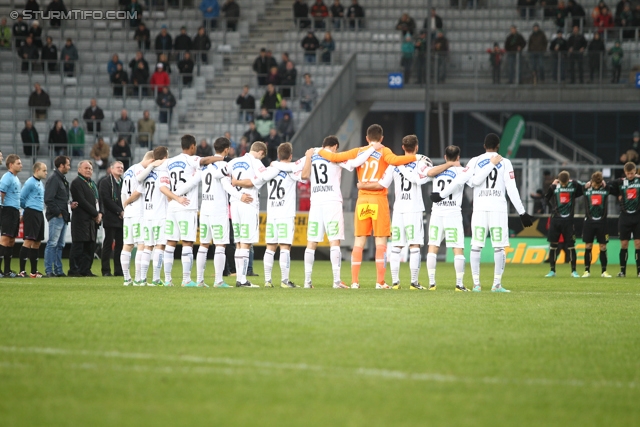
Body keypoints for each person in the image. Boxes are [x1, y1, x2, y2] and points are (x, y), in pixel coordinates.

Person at [430, 133, 535, 293]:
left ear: (484, 146)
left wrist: (441, 194)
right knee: (499, 247)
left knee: (476, 246)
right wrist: (522, 212)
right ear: (498, 146)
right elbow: (512, 189)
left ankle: (476, 284)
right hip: (498, 208)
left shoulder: (475, 161)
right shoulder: (505, 163)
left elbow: (462, 179)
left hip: (479, 208)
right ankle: (496, 284)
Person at [317, 125, 417, 289]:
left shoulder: (359, 151)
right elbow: (396, 161)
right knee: (381, 242)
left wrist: (319, 151)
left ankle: (355, 282)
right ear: (382, 138)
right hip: (379, 200)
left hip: (362, 200)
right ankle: (380, 282)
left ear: (367, 138)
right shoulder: (385, 151)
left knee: (359, 241)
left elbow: (335, 157)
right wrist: (415, 158)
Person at [280, 137, 378, 288]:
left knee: (311, 242)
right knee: (334, 241)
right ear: (335, 147)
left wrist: (274, 164)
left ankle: (307, 281)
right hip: (332, 202)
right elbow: (354, 163)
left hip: (316, 203)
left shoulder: (311, 154)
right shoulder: (335, 157)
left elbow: (292, 167)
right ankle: (336, 281)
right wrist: (372, 149)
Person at [375, 138, 450, 290]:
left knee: (396, 246)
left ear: (403, 147)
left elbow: (382, 184)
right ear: (416, 147)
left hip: (398, 210)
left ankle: (395, 282)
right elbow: (427, 177)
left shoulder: (394, 164)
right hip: (413, 209)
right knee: (414, 246)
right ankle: (414, 282)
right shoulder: (420, 162)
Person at [163, 135, 223, 287]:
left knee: (170, 242)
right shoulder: (190, 159)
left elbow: (163, 186)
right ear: (192, 146)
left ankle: (168, 279)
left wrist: (174, 197)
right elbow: (203, 161)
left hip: (172, 207)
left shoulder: (169, 162)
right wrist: (219, 158)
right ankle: (186, 279)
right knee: (187, 242)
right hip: (186, 205)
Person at [196, 137, 251, 287]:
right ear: (226, 149)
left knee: (204, 244)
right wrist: (240, 196)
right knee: (220, 245)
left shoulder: (205, 165)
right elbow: (227, 186)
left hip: (205, 207)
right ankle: (218, 280)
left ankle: (200, 280)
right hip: (218, 209)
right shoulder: (225, 165)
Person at [226, 142, 271, 287]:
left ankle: (239, 278)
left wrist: (237, 193)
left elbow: (226, 182)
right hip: (249, 203)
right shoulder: (256, 162)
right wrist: (244, 184)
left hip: (234, 203)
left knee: (238, 242)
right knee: (246, 242)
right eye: (262, 156)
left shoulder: (233, 161)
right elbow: (262, 178)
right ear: (261, 152)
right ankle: (243, 280)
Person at [120, 151, 158, 286]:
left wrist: (125, 206)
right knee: (142, 244)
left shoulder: (129, 170)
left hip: (129, 213)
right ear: (151, 160)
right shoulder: (142, 171)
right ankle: (138, 278)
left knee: (128, 245)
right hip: (139, 211)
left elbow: (123, 192)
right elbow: (138, 192)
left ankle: (126, 279)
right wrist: (128, 202)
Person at [137, 148, 170, 286]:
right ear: (164, 157)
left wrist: (150, 165)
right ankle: (156, 278)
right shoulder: (164, 172)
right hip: (159, 214)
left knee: (147, 246)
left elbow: (138, 178)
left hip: (147, 215)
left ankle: (143, 278)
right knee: (160, 246)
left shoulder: (147, 173)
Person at [543, 170, 584, 277]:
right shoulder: (554, 187)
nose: (564, 185)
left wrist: (574, 181)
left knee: (571, 245)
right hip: (556, 220)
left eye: (566, 183)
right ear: (559, 180)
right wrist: (552, 209)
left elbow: (583, 188)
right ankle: (552, 270)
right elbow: (546, 198)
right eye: (562, 183)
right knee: (553, 245)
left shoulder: (573, 185)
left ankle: (574, 271)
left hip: (568, 220)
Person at [67, 161, 101, 277]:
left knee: (89, 246)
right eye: (86, 168)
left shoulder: (92, 184)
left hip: (92, 221)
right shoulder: (77, 183)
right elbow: (82, 201)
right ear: (79, 170)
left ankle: (85, 269)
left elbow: (97, 201)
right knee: (78, 246)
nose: (88, 170)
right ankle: (74, 270)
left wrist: (100, 213)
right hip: (81, 220)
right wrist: (95, 213)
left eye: (90, 169)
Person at [608, 162, 640, 277]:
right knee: (624, 244)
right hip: (625, 217)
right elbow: (608, 186)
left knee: (638, 243)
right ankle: (622, 271)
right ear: (625, 172)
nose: (630, 175)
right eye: (628, 173)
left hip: (638, 216)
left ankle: (639, 271)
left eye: (632, 173)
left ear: (635, 172)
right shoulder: (620, 182)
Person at [44, 156, 74, 277]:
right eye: (67, 164)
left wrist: (70, 205)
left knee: (60, 245)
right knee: (53, 243)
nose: (69, 166)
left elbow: (60, 199)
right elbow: (48, 199)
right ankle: (49, 270)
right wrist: (58, 212)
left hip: (63, 216)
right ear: (61, 165)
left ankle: (58, 270)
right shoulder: (54, 179)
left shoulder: (61, 179)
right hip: (57, 216)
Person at [580, 171, 612, 278]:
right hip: (589, 221)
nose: (596, 186)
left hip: (602, 221)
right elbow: (580, 188)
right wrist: (587, 184)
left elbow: (611, 187)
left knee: (603, 246)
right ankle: (587, 270)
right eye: (594, 184)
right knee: (588, 245)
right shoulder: (586, 190)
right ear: (591, 181)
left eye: (598, 184)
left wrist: (604, 183)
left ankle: (604, 271)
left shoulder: (605, 190)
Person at [18, 161, 46, 278]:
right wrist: (27, 209)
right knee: (29, 240)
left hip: (39, 212)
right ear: (37, 170)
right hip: (32, 212)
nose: (46, 173)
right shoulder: (30, 182)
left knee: (37, 242)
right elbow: (22, 198)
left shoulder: (40, 183)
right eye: (44, 170)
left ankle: (34, 272)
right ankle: (22, 271)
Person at [99, 161, 124, 277]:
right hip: (110, 217)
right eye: (118, 167)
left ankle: (118, 270)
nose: (120, 169)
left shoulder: (123, 182)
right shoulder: (105, 182)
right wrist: (119, 211)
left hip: (121, 219)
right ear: (111, 169)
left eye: (122, 167)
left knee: (120, 245)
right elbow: (106, 200)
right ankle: (105, 270)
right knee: (108, 244)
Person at [0, 155, 23, 278]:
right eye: (18, 163)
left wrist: (18, 211)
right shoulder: (7, 177)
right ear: (11, 165)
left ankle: (7, 270)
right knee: (4, 239)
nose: (21, 165)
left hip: (14, 211)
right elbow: (1, 194)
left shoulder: (16, 178)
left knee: (11, 241)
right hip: (7, 210)